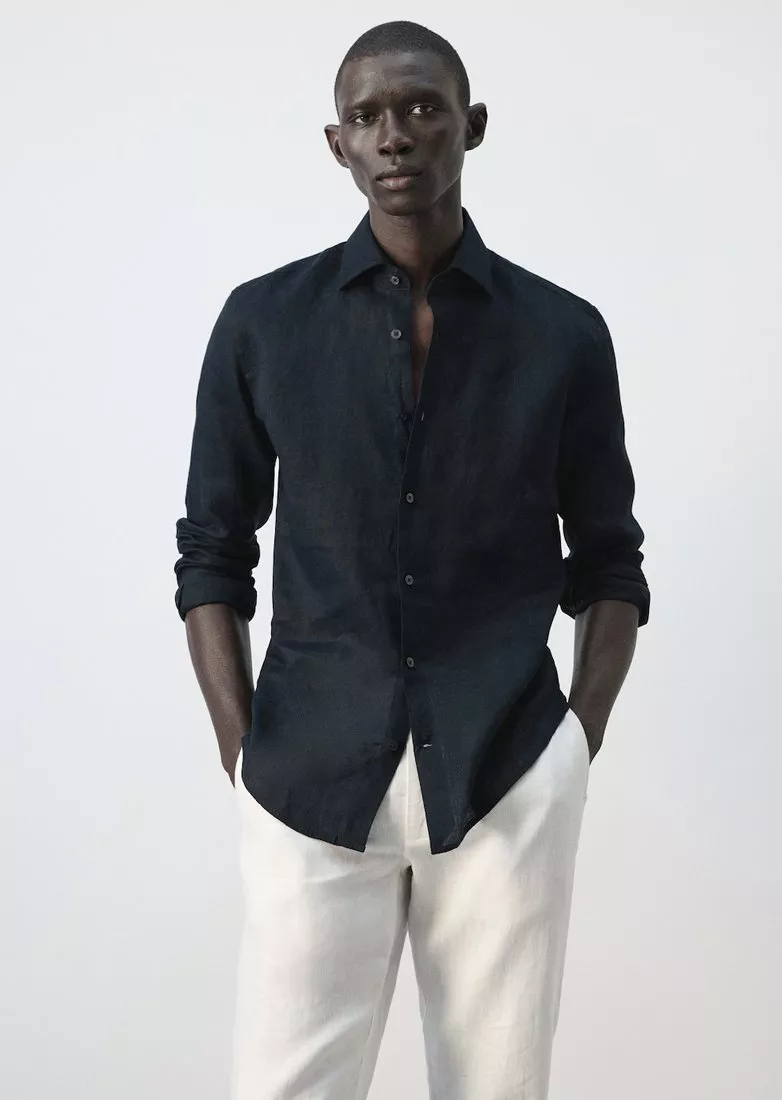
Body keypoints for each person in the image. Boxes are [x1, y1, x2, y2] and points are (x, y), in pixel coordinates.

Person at [173, 19, 650, 1100]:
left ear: (471, 126)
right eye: (368, 115)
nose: (395, 135)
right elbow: (211, 551)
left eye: (423, 107)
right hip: (305, 778)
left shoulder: (563, 334)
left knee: (497, 1088)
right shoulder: (262, 324)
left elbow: (610, 561)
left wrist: (573, 744)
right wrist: (242, 751)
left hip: (505, 771)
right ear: (336, 143)